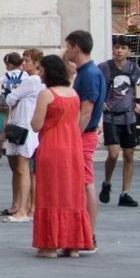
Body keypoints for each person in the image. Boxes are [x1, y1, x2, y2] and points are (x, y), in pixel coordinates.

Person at [30, 55, 94, 258]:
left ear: (49, 71)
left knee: (50, 193)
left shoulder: (46, 94)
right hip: (72, 147)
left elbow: (36, 124)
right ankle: (72, 243)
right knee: (71, 193)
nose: (39, 73)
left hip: (51, 147)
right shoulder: (74, 94)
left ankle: (50, 244)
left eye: (41, 70)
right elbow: (76, 121)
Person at [66, 29, 107, 249]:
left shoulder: (89, 74)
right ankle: (86, 232)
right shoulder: (88, 72)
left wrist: (74, 136)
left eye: (68, 46)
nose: (66, 51)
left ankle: (89, 233)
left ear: (76, 47)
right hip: (86, 133)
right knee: (83, 183)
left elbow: (86, 111)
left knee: (85, 183)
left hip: (84, 135)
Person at [99, 36, 140, 208]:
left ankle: (125, 191)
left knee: (129, 154)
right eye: (117, 47)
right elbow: (98, 85)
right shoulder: (104, 67)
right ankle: (107, 182)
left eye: (123, 48)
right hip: (111, 116)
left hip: (128, 116)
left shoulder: (133, 68)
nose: (119, 51)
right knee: (113, 153)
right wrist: (100, 102)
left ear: (128, 51)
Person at [1, 48, 43, 222]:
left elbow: (10, 98)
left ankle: (24, 208)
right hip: (21, 124)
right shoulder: (32, 80)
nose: (24, 64)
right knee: (22, 168)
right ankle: (23, 205)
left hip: (24, 126)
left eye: (27, 61)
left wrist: (13, 98)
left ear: (36, 63)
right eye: (23, 60)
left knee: (23, 168)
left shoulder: (32, 80)